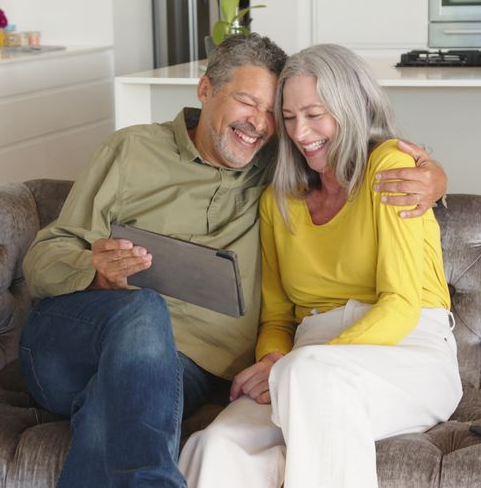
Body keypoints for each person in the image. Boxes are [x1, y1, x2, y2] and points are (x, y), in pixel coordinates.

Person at [19, 33, 448, 487]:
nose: (264, 125)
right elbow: (44, 257)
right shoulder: (133, 151)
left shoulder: (278, 166)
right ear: (205, 89)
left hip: (192, 366)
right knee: (146, 317)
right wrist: (95, 273)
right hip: (84, 339)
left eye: (274, 113)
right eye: (250, 103)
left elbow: (365, 154)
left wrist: (434, 177)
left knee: (153, 417)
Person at [178, 44, 463, 488]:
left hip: (405, 353)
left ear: (351, 109)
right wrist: (274, 359)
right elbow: (277, 318)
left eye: (314, 114)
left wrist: (294, 366)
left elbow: (401, 304)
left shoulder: (388, 167)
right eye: (289, 117)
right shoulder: (279, 201)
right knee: (213, 445)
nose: (300, 132)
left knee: (309, 374)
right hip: (304, 364)